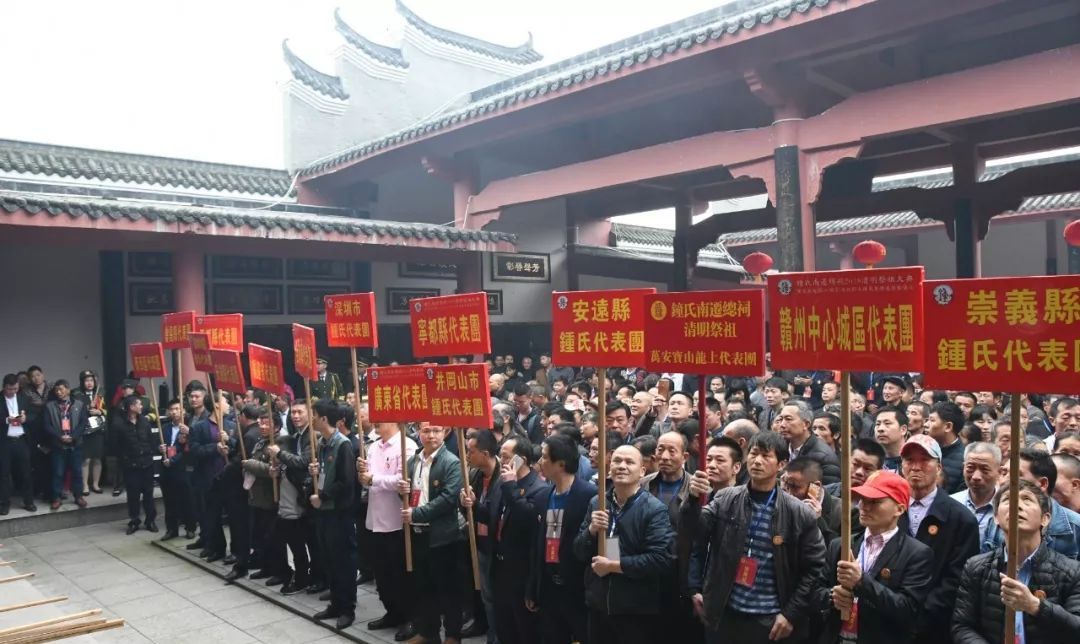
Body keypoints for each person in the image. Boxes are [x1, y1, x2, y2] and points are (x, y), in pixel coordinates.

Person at [688, 431, 826, 644]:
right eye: (753, 454)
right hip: (725, 612)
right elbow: (695, 533)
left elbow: (814, 568)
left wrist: (790, 613)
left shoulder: (799, 514)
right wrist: (692, 500)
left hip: (769, 619)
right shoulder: (726, 498)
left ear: (781, 465)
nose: (757, 461)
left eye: (765, 456)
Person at [952, 480, 1080, 643]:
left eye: (1027, 499)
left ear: (1045, 518)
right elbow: (962, 626)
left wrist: (1035, 606)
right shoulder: (976, 567)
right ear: (996, 518)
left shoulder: (1072, 572)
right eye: (1007, 500)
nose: (1016, 505)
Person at [817, 470, 933, 644]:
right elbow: (816, 590)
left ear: (899, 508)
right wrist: (832, 597)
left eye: (875, 501)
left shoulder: (916, 554)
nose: (864, 506)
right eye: (862, 499)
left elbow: (908, 610)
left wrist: (862, 582)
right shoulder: (841, 544)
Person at [574, 444, 674, 644]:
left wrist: (614, 566)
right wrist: (592, 531)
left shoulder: (654, 509)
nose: (622, 466)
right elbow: (578, 551)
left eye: (629, 462)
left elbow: (659, 560)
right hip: (598, 604)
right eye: (617, 461)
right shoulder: (597, 502)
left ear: (642, 471)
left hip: (634, 608)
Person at [897, 434, 980, 644]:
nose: (916, 467)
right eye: (909, 461)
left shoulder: (961, 518)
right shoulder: (889, 508)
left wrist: (919, 616)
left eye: (924, 460)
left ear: (939, 467)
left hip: (934, 626)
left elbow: (957, 579)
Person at [527, 432, 597, 644]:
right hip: (549, 584)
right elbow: (536, 546)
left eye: (545, 457)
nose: (540, 462)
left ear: (561, 464)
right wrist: (533, 587)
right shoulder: (543, 496)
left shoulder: (590, 496)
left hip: (578, 585)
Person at [398, 423, 463, 642]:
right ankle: (428, 631)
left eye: (436, 431)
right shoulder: (413, 461)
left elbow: (448, 499)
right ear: (419, 433)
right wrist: (402, 492)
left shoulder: (451, 462)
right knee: (423, 585)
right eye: (426, 431)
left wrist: (417, 513)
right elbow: (409, 494)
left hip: (442, 536)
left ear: (445, 432)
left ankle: (453, 635)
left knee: (447, 588)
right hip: (417, 534)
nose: (431, 435)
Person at [358, 422, 417, 642]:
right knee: (382, 573)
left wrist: (373, 479)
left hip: (396, 520)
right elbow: (365, 480)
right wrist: (363, 475)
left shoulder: (406, 445)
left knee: (400, 573)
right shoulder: (373, 447)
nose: (376, 422)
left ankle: (410, 617)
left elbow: (403, 482)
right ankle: (392, 612)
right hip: (375, 517)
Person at [492, 436, 549, 644]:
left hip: (522, 568)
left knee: (524, 627)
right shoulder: (504, 481)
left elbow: (527, 519)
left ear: (521, 459)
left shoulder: (538, 488)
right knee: (504, 623)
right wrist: (469, 505)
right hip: (500, 564)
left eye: (505, 457)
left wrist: (510, 487)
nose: (501, 461)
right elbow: (494, 517)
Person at [307, 399, 358, 629]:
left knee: (343, 562)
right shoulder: (322, 442)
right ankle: (335, 603)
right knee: (329, 559)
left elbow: (347, 483)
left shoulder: (342, 444)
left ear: (324, 419)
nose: (312, 419)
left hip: (339, 513)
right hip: (324, 513)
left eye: (314, 415)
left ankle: (347, 608)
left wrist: (324, 496)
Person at [646, 431, 700, 643]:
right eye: (660, 449)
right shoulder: (643, 485)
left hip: (680, 573)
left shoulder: (697, 488)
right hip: (647, 571)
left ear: (685, 457)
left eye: (672, 451)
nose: (665, 456)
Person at [269, 399, 325, 594]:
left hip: (310, 496)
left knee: (314, 543)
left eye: (300, 412)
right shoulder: (296, 436)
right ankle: (306, 575)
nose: (295, 416)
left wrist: (280, 455)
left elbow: (303, 462)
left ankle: (319, 578)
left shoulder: (314, 436)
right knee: (302, 540)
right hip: (296, 496)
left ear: (310, 413)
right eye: (293, 412)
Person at [459, 429, 501, 643]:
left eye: (471, 451)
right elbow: (467, 508)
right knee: (485, 596)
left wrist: (475, 504)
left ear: (485, 454)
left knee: (495, 598)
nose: (467, 456)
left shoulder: (503, 478)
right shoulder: (474, 474)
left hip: (497, 548)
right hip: (478, 543)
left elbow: (496, 516)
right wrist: (464, 502)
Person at [1016, 448, 1080, 560]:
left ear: (1043, 483)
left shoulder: (1075, 527)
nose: (1006, 481)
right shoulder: (998, 518)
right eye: (1004, 472)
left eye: (1018, 475)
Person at [240, 409, 278, 580]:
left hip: (271, 496)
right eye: (261, 422)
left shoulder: (278, 443)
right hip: (257, 496)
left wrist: (250, 464)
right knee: (260, 535)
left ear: (276, 426)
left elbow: (271, 470)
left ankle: (276, 569)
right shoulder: (259, 443)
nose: (262, 426)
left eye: (267, 423)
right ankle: (265, 565)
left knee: (272, 537)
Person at [114, 395, 157, 534]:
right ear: (131, 407)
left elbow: (151, 440)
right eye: (138, 404)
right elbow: (116, 446)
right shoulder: (119, 425)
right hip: (131, 466)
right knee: (133, 495)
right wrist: (125, 460)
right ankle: (134, 520)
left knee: (149, 495)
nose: (141, 407)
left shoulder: (144, 422)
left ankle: (150, 520)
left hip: (147, 464)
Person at [951, 442, 1004, 552]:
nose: (976, 477)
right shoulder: (951, 503)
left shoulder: (1006, 508)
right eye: (970, 468)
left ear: (999, 472)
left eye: (984, 470)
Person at [44, 380, 88, 510]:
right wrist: (60, 436)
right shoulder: (49, 406)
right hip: (58, 444)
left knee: (77, 471)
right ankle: (56, 497)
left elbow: (83, 423)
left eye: (62, 389)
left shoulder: (79, 404)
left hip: (75, 443)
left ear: (68, 390)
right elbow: (47, 425)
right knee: (58, 472)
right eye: (57, 390)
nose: (59, 392)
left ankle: (78, 496)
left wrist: (73, 437)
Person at [777, 400, 839, 485]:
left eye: (788, 419)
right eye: (780, 419)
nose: (782, 425)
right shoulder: (780, 447)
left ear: (806, 424)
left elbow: (830, 492)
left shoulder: (824, 457)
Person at [782, 457, 840, 545]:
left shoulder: (844, 513)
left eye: (794, 487)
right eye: (787, 485)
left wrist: (818, 522)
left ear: (815, 486)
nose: (788, 493)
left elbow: (836, 551)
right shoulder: (780, 501)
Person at [159, 399, 194, 540]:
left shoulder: (188, 427)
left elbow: (187, 450)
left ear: (183, 410)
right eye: (171, 409)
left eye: (177, 409)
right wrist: (160, 448)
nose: (174, 412)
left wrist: (172, 460)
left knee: (187, 499)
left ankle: (190, 527)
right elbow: (162, 444)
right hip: (167, 469)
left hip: (182, 468)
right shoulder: (165, 427)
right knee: (169, 501)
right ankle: (171, 529)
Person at [1, 373, 36, 514]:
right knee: (4, 474)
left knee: (26, 472)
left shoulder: (24, 398)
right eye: (9, 389)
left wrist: (26, 418)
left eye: (15, 389)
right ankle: (4, 503)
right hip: (4, 442)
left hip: (21, 440)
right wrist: (5, 420)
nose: (12, 392)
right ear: (4, 387)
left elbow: (34, 415)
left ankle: (28, 501)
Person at [71, 370, 106, 495]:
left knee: (97, 458)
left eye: (91, 380)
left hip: (98, 430)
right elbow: (74, 411)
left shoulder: (101, 393)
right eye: (86, 380)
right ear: (82, 382)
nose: (89, 383)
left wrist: (100, 412)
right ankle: (85, 485)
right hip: (84, 431)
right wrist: (87, 408)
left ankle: (96, 484)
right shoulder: (76, 394)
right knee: (86, 459)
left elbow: (108, 410)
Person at [874, 406, 908, 475]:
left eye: (887, 423)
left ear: (903, 429)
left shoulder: (913, 462)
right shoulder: (872, 462)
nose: (880, 429)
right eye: (878, 424)